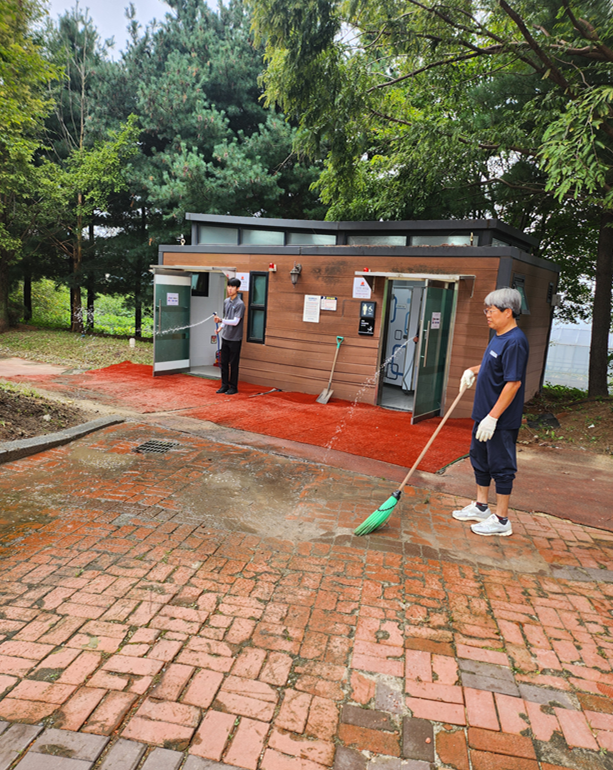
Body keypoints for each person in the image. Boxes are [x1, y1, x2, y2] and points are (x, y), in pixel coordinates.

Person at [452, 288, 529, 537]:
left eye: (491, 310)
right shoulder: (498, 336)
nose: (487, 314)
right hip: (482, 414)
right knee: (480, 460)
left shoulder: (515, 341)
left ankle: (502, 520)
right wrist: (473, 370)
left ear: (508, 312)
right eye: (486, 310)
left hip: (499, 420)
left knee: (501, 466)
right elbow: (492, 365)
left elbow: (513, 383)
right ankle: (482, 506)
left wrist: (493, 417)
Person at [214, 278, 245, 394]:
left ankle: (233, 387)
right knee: (223, 362)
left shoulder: (240, 304)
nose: (230, 289)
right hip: (225, 337)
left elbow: (235, 322)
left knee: (234, 364)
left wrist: (221, 320)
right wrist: (220, 328)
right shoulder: (226, 301)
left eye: (233, 287)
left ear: (237, 289)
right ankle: (224, 385)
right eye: (229, 286)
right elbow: (226, 318)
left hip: (235, 339)